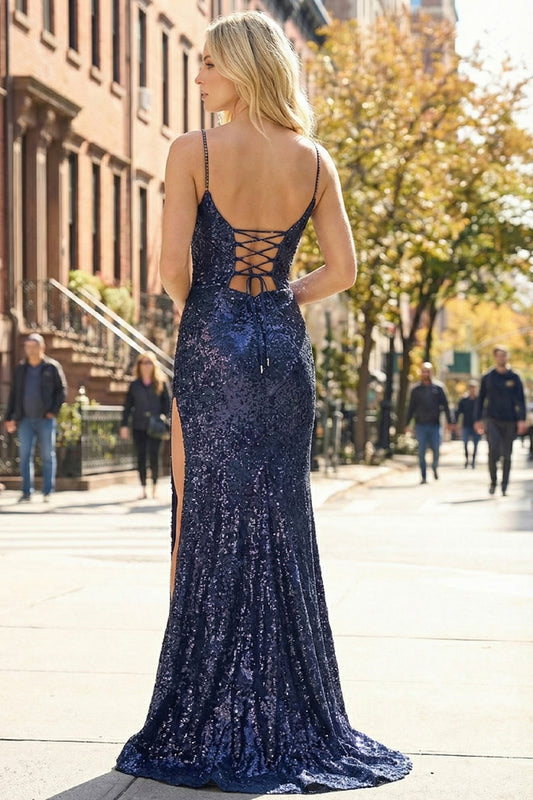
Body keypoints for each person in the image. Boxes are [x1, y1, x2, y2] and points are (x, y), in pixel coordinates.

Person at [116, 11, 411, 794]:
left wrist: (215, 312)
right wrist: (280, 297)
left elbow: (170, 268)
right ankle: (291, 711)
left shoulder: (193, 150)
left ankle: (204, 714)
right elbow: (341, 270)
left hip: (214, 341)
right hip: (284, 348)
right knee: (280, 517)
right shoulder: (312, 160)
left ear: (242, 69)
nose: (198, 76)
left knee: (203, 514)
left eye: (207, 64)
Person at [4, 332, 67, 502]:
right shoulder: (20, 370)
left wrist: (52, 411)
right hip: (24, 419)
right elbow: (14, 395)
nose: (30, 350)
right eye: (27, 347)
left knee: (47, 455)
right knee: (25, 456)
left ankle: (47, 492)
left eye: (34, 346)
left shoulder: (51, 367)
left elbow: (62, 391)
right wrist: (9, 417)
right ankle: (26, 492)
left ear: (42, 348)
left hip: (45, 420)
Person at [474, 346, 527, 496]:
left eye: (504, 356)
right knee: (493, 451)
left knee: (507, 454)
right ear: (495, 357)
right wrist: (478, 419)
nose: (501, 358)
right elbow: (480, 400)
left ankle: (504, 485)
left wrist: (522, 419)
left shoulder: (514, 377)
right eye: (499, 356)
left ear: (507, 357)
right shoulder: (488, 377)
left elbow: (521, 401)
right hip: (492, 419)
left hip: (510, 420)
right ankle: (493, 481)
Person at [120, 352, 170, 500]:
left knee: (154, 456)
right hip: (139, 425)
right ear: (139, 365)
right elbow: (128, 406)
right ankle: (143, 488)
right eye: (143, 362)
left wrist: (165, 421)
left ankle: (154, 487)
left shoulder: (161, 383)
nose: (146, 365)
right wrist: (124, 425)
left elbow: (167, 405)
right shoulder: (134, 385)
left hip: (156, 426)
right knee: (141, 457)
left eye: (149, 362)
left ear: (154, 365)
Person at [405, 361, 452, 484]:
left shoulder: (439, 388)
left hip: (435, 425)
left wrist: (450, 422)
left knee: (436, 449)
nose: (425, 373)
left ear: (431, 372)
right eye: (423, 371)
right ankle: (423, 476)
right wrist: (407, 424)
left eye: (428, 371)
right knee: (421, 452)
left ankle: (435, 467)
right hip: (420, 425)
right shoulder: (415, 390)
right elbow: (411, 408)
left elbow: (446, 406)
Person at [455, 379, 481, 468]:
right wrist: (456, 423)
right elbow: (458, 412)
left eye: (474, 388)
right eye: (471, 388)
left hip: (476, 426)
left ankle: (473, 461)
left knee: (475, 444)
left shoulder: (479, 400)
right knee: (465, 443)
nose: (472, 390)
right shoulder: (464, 400)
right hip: (466, 425)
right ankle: (466, 459)